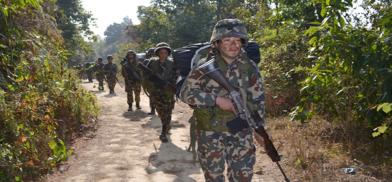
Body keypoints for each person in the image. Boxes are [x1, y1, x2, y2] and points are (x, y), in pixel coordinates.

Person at [180, 19, 265, 181]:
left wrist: (260, 130)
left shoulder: (249, 67)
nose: (233, 45)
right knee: (214, 178)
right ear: (217, 43)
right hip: (211, 134)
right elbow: (185, 93)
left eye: (237, 40)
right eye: (227, 40)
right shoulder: (204, 67)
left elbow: (258, 100)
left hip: (241, 133)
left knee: (243, 177)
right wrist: (216, 100)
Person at [148, 43, 176, 142]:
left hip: (168, 91)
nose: (163, 54)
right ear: (157, 53)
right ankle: (166, 126)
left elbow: (176, 75)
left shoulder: (172, 63)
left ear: (168, 53)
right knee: (161, 112)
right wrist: (152, 81)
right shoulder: (152, 62)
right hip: (156, 92)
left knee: (168, 111)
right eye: (161, 52)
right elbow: (146, 75)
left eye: (165, 52)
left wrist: (171, 83)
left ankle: (163, 132)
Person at [140, 48, 157, 115]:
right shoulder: (162, 60)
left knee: (152, 96)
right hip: (153, 82)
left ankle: (153, 110)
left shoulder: (147, 61)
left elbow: (143, 73)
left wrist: (144, 83)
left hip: (151, 82)